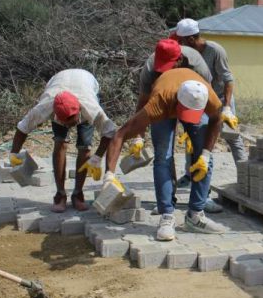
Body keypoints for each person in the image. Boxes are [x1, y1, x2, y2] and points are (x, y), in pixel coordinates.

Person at [104, 68, 227, 241]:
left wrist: (205, 155)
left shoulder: (209, 98)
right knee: (163, 157)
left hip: (190, 97)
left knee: (205, 158)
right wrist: (109, 175)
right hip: (166, 101)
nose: (187, 118)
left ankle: (195, 216)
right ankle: (167, 216)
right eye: (185, 114)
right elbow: (120, 134)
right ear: (177, 103)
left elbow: (216, 121)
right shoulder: (159, 102)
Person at [126, 38, 222, 213]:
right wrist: (138, 137)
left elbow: (210, 105)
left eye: (170, 65)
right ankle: (166, 207)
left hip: (192, 101)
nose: (166, 71)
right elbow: (142, 103)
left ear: (180, 60)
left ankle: (199, 206)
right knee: (163, 155)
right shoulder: (150, 68)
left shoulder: (198, 66)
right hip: (163, 103)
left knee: (203, 154)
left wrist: (205, 152)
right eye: (162, 67)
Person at [9, 69, 116, 212]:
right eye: (64, 122)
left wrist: (97, 157)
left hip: (85, 82)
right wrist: (13, 154)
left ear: (78, 111)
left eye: (71, 121)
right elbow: (22, 128)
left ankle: (78, 194)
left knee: (85, 146)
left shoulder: (91, 107)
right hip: (57, 84)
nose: (68, 126)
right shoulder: (45, 107)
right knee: (60, 143)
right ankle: (60, 194)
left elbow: (110, 131)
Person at [175, 19, 246, 180]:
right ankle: (190, 174)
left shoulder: (215, 50)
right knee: (193, 137)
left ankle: (245, 176)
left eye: (183, 41)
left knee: (232, 136)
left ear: (191, 39)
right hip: (200, 101)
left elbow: (228, 80)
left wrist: (227, 108)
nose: (181, 44)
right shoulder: (186, 53)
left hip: (221, 99)